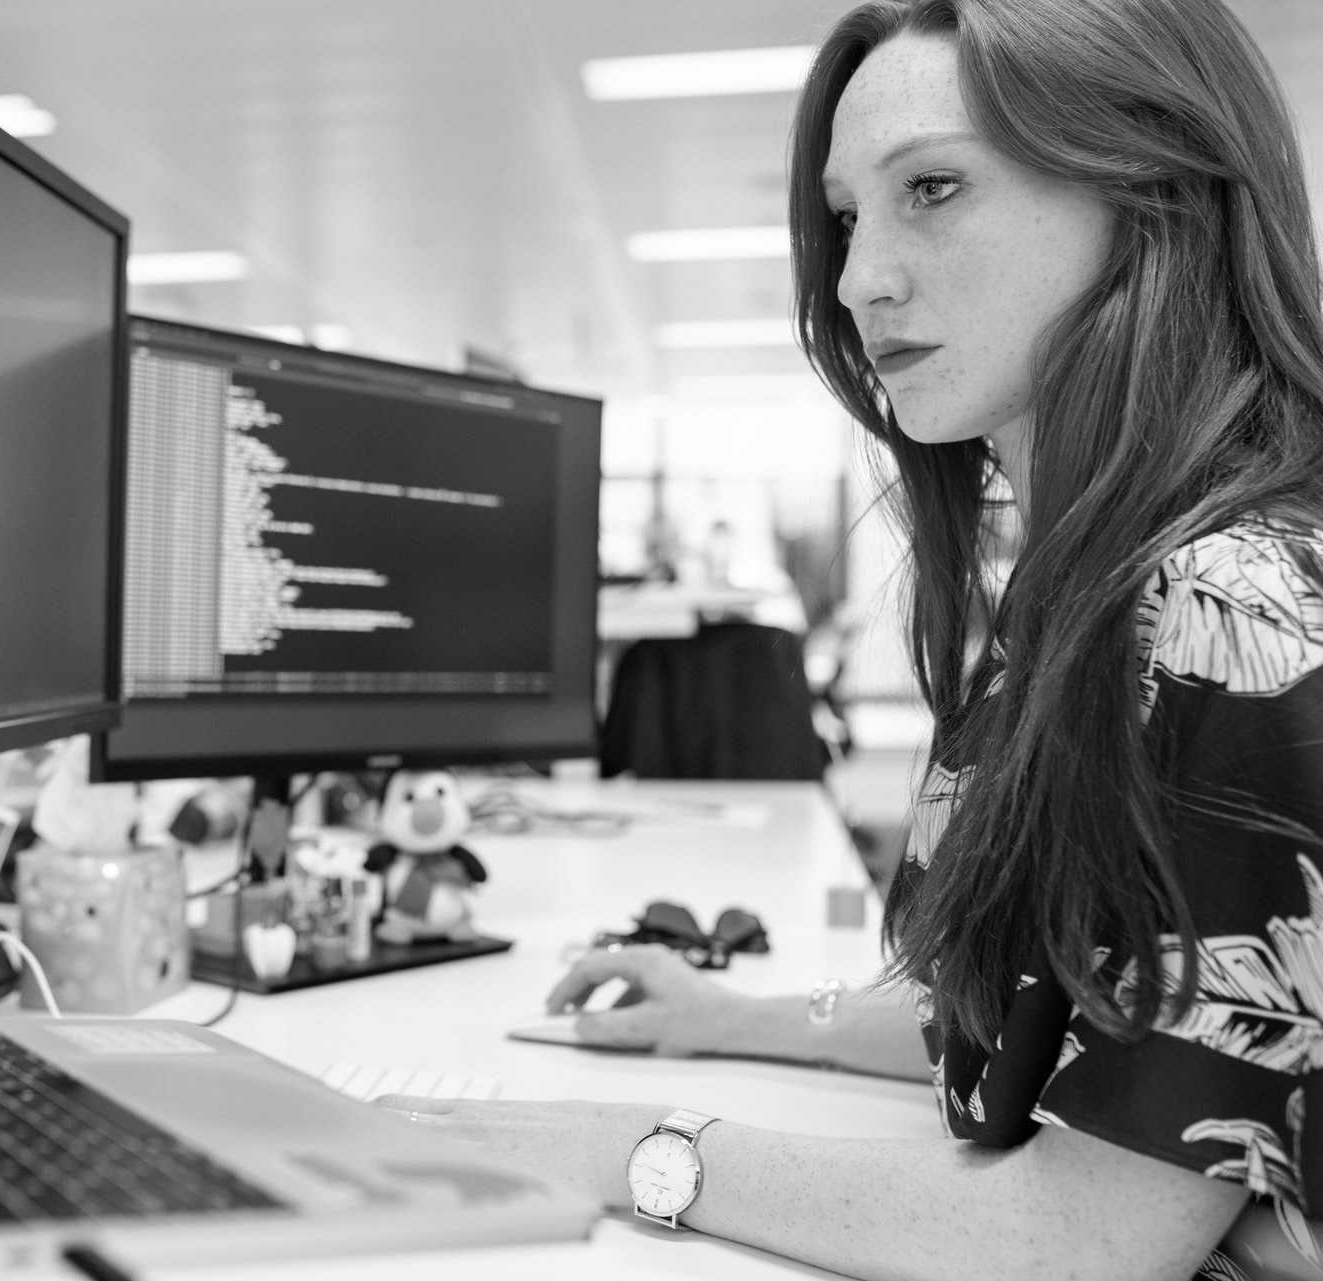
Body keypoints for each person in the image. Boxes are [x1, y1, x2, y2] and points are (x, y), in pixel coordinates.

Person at [379, 1, 1323, 1277]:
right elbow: (1043, 1025)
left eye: (933, 188)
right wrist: (737, 1017)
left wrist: (630, 1151)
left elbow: (1082, 1243)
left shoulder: (1233, 608)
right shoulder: (1085, 594)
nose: (857, 276)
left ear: (1153, 192)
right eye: (845, 217)